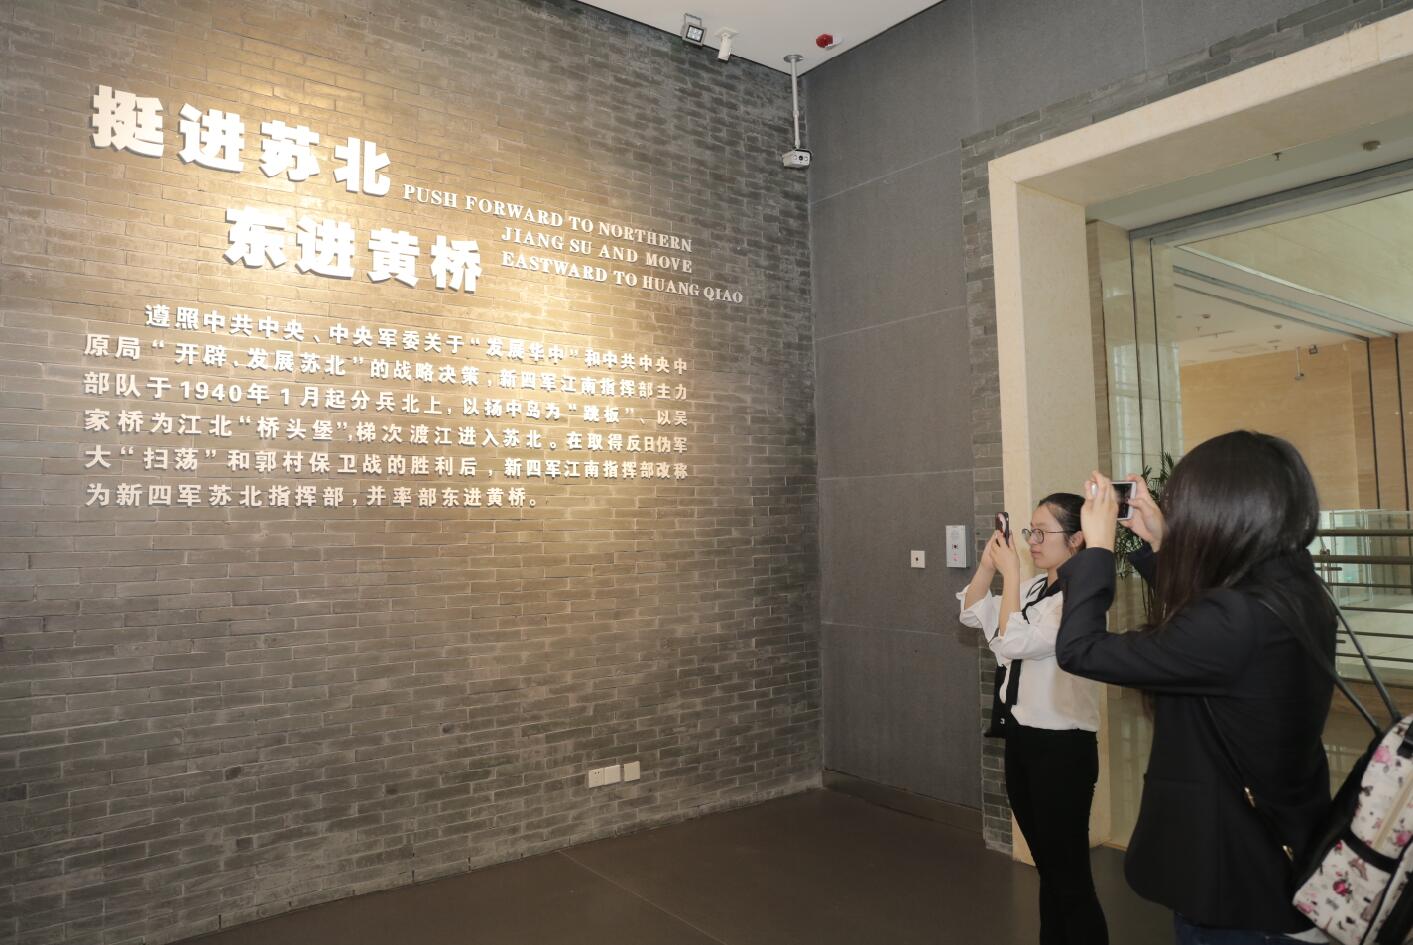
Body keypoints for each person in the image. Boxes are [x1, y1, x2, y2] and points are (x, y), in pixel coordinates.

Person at [1055, 431, 1336, 945]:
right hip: (1280, 858)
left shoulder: (1235, 618)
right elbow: (1207, 635)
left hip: (1235, 885)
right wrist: (1161, 544)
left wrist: (1097, 550)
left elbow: (1080, 649)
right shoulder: (1291, 586)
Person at [960, 493, 1108, 945]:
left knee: (1069, 874)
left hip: (1063, 746)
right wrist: (988, 566)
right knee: (1050, 868)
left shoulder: (1081, 600)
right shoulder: (1032, 589)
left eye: (1042, 532)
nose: (1032, 541)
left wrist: (1011, 574)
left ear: (1077, 539)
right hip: (1023, 739)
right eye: (1029, 531)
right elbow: (971, 613)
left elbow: (1013, 642)